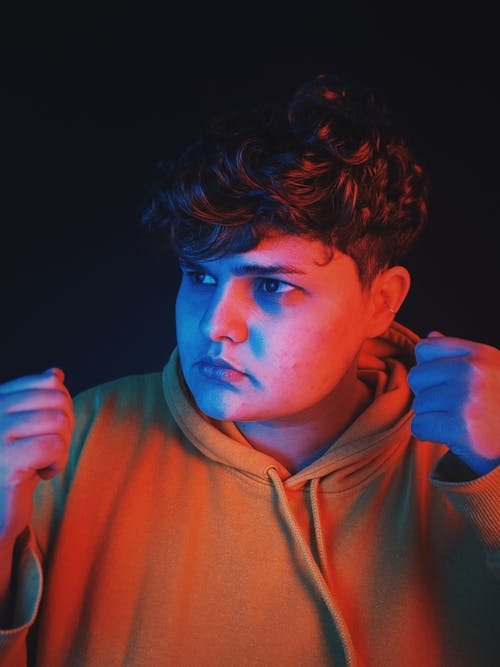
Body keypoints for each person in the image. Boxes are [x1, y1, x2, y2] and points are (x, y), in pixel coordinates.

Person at [0, 72, 499, 667]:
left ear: (381, 301)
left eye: (270, 285)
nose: (215, 325)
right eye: (200, 276)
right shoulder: (62, 450)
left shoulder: (476, 458)